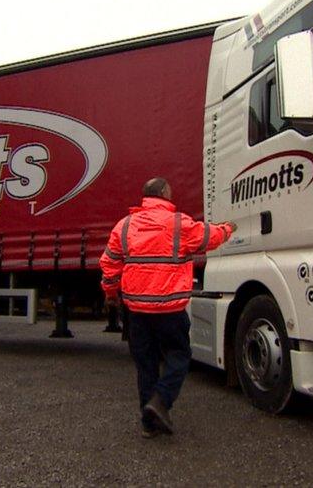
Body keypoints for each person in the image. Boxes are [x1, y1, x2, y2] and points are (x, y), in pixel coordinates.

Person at [100, 177, 235, 438]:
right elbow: (211, 237)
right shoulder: (179, 224)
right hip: (169, 310)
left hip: (137, 311)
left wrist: (110, 294)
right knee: (179, 355)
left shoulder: (124, 227)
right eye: (170, 191)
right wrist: (229, 227)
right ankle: (161, 401)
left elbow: (109, 264)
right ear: (163, 193)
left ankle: (149, 424)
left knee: (146, 364)